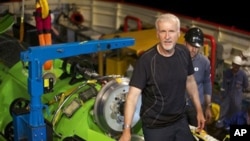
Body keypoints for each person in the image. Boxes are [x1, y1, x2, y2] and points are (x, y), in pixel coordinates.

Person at [119, 13, 205, 141]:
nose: (167, 37)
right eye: (163, 31)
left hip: (179, 120)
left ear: (178, 34)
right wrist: (126, 130)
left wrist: (199, 110)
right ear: (157, 34)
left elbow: (190, 81)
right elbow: (132, 97)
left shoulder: (184, 53)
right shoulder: (146, 61)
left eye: (171, 31)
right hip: (155, 126)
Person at [184, 27, 213, 127]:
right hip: (178, 106)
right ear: (185, 42)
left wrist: (208, 106)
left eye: (197, 47)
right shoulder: (176, 59)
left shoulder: (204, 62)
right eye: (191, 45)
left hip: (196, 107)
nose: (194, 50)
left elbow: (207, 83)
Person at [216, 55, 248, 127]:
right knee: (223, 110)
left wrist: (240, 93)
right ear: (232, 64)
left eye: (238, 66)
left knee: (236, 113)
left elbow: (246, 86)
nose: (236, 68)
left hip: (237, 98)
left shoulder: (243, 75)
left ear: (240, 66)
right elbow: (223, 84)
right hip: (226, 96)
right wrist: (222, 94)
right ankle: (220, 125)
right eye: (235, 65)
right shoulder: (227, 72)